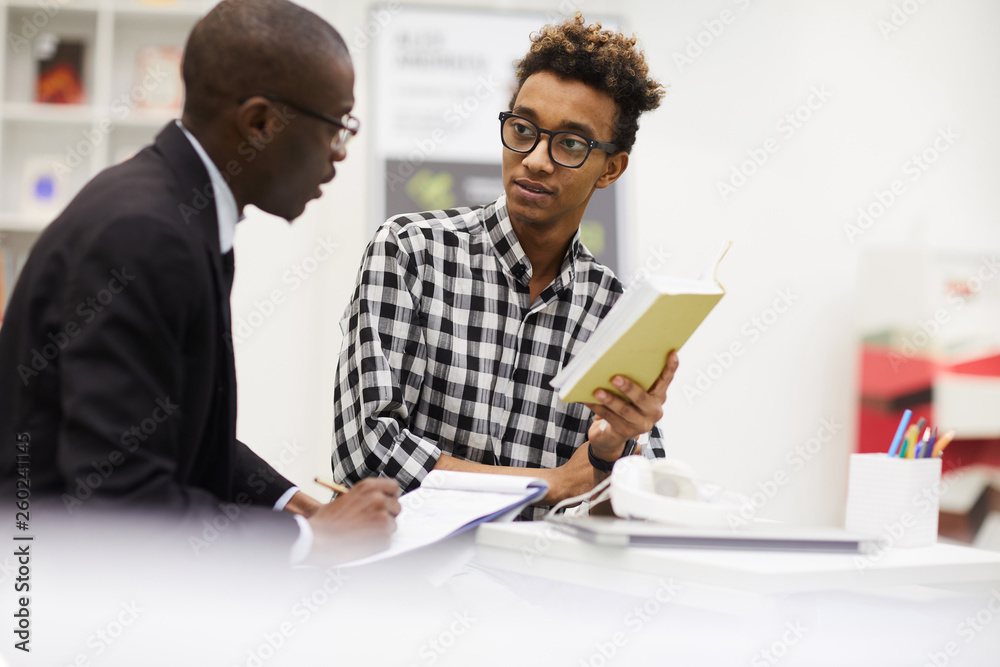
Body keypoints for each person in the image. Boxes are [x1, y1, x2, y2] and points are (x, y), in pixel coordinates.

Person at [0, 0, 399, 564]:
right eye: (337, 129)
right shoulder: (146, 237)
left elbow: (171, 430)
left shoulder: (173, 210)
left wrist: (290, 504)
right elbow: (124, 506)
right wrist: (313, 541)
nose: (338, 158)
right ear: (260, 122)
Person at [333, 14, 675, 519]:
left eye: (571, 143)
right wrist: (551, 483)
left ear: (611, 168)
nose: (535, 159)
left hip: (543, 590)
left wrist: (610, 455)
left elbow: (640, 510)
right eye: (522, 129)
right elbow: (367, 458)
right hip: (405, 585)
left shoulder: (615, 311)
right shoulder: (409, 252)